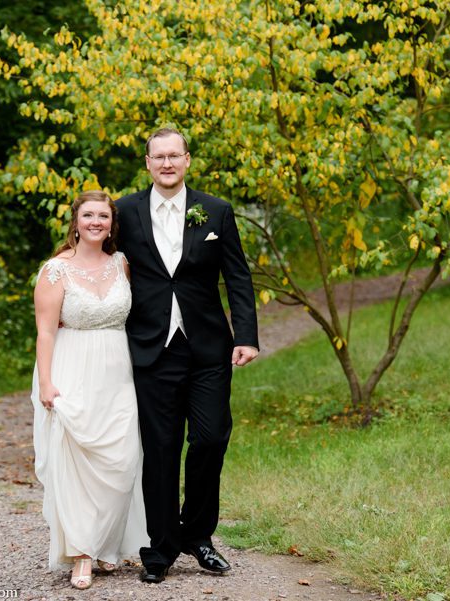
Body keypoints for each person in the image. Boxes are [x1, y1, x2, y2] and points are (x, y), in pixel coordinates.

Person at [116, 127, 259, 583]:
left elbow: (237, 276)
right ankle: (160, 548)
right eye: (158, 157)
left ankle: (198, 535)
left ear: (187, 160)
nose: (167, 163)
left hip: (208, 349)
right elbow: (101, 261)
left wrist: (246, 335)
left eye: (174, 155)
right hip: (151, 349)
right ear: (147, 163)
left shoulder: (216, 211)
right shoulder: (124, 212)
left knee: (211, 439)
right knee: (160, 450)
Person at [31, 190, 148, 589]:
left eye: (103, 216)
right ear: (76, 223)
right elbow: (46, 332)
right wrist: (47, 382)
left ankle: (106, 544)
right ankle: (82, 553)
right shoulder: (55, 271)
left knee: (122, 460)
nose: (96, 222)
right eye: (88, 215)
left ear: (112, 224)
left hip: (118, 372)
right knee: (77, 461)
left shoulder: (122, 264)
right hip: (73, 367)